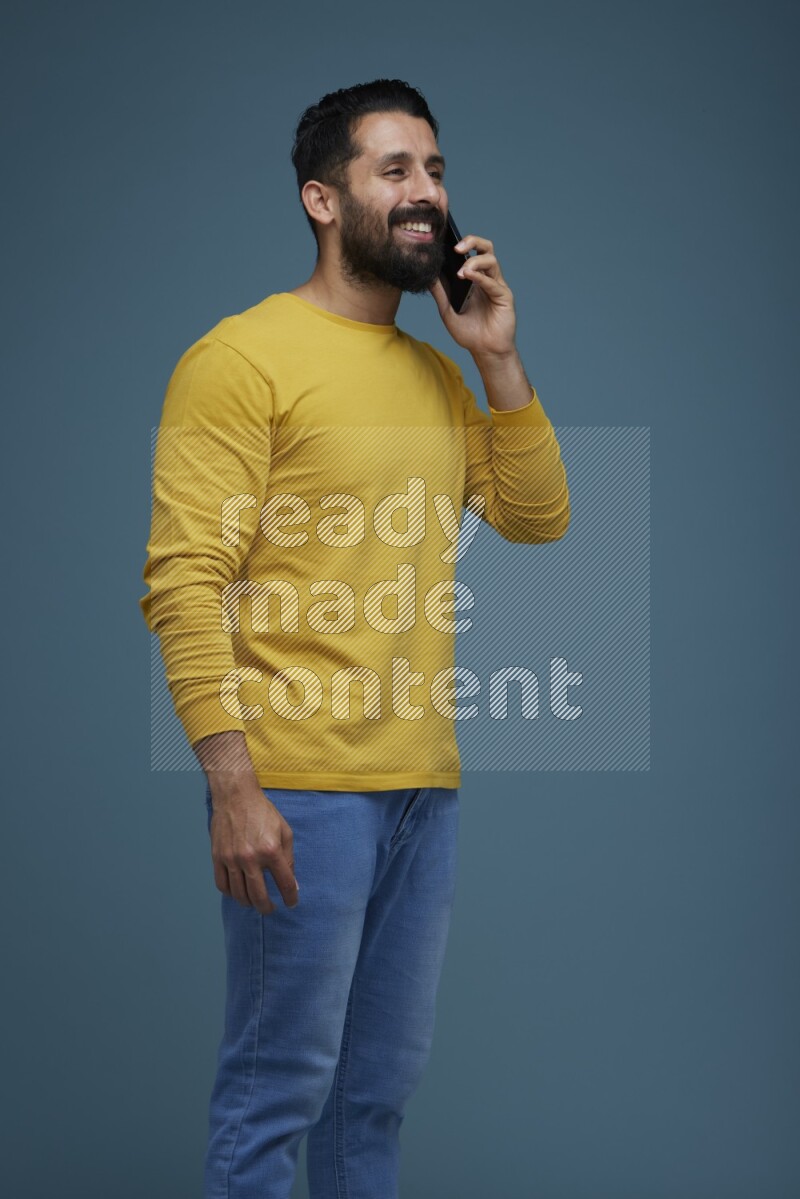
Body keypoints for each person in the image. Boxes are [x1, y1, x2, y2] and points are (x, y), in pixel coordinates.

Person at [139, 78, 570, 1199]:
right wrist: (232, 785)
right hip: (298, 788)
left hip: (420, 788)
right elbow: (184, 580)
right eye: (395, 171)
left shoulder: (434, 373)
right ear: (323, 200)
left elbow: (536, 515)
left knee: (370, 1097)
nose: (425, 192)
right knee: (276, 1090)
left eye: (432, 168)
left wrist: (496, 358)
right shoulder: (240, 359)